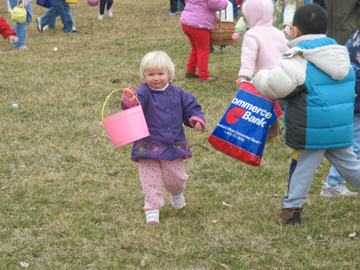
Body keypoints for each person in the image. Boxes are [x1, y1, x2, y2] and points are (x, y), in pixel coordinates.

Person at [254, 4, 360, 224]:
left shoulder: (299, 59)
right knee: (352, 167)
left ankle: (292, 209)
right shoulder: (342, 57)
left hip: (311, 130)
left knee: (303, 168)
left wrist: (259, 76)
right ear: (326, 31)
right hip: (340, 127)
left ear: (296, 31)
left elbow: (273, 86)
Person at [121, 51, 206, 224]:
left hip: (173, 146)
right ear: (144, 75)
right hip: (147, 145)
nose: (156, 78)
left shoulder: (179, 94)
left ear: (169, 74)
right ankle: (152, 208)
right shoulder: (142, 92)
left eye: (160, 74)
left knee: (176, 178)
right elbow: (134, 107)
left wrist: (195, 119)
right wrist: (129, 99)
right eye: (150, 74)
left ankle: (176, 193)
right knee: (149, 180)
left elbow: (192, 108)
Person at [234, 0, 288, 142]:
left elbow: (249, 56)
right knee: (284, 105)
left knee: (266, 106)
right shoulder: (278, 33)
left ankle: (272, 135)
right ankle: (289, 131)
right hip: (283, 75)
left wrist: (244, 75)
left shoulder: (252, 35)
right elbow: (287, 52)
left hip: (265, 79)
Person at [320, 28, 360, 197]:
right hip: (356, 98)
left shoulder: (357, 35)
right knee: (354, 145)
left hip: (348, 93)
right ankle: (333, 183)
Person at [180, 0, 228, 81]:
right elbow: (214, 4)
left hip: (187, 22)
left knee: (195, 47)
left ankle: (191, 70)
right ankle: (204, 75)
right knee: (203, 50)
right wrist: (225, 2)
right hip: (199, 25)